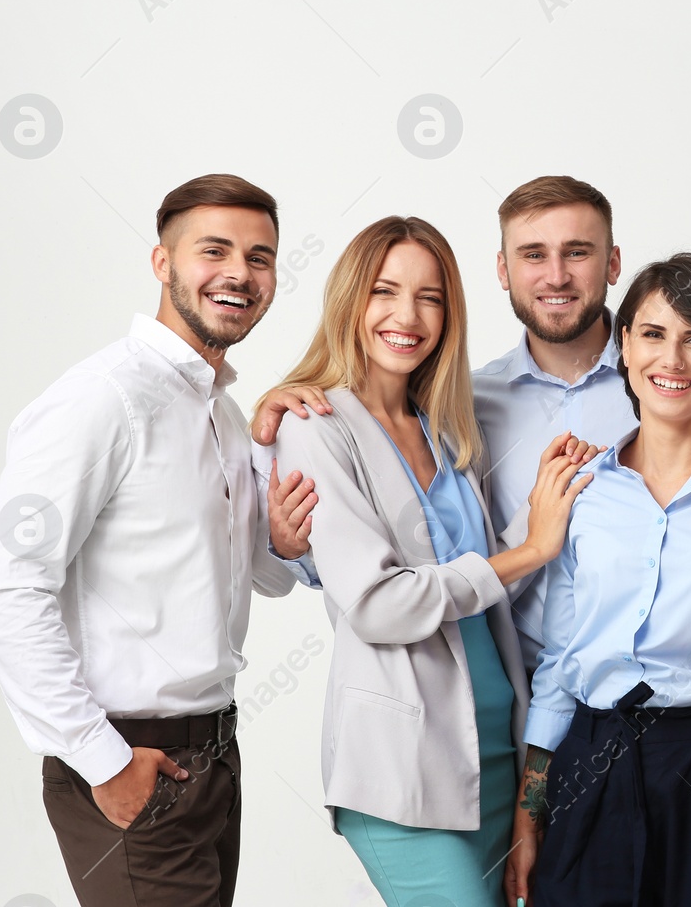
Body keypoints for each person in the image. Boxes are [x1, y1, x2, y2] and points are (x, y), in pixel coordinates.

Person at [258, 176, 691, 666]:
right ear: (503, 270)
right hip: (509, 695)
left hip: (651, 695)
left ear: (613, 263)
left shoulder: (675, 379)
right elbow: (386, 553)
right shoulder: (459, 404)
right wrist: (292, 543)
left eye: (577, 252)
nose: (556, 276)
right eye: (532, 254)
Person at [0, 174, 325, 907]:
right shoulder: (101, 399)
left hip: (213, 753)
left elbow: (244, 574)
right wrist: (104, 763)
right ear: (162, 263)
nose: (239, 273)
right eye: (214, 250)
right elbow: (6, 591)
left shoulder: (221, 413)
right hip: (130, 753)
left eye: (259, 258)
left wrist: (282, 546)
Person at [253, 215, 599, 906]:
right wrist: (532, 548)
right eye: (385, 291)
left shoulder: (442, 427)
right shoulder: (314, 426)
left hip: (497, 750)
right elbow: (379, 603)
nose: (407, 316)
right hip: (401, 769)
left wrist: (544, 507)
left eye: (430, 297)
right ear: (351, 300)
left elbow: (463, 567)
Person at [508, 253, 691, 907]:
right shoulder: (580, 491)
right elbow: (560, 656)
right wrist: (529, 816)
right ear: (625, 347)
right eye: (653, 334)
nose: (672, 359)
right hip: (590, 759)